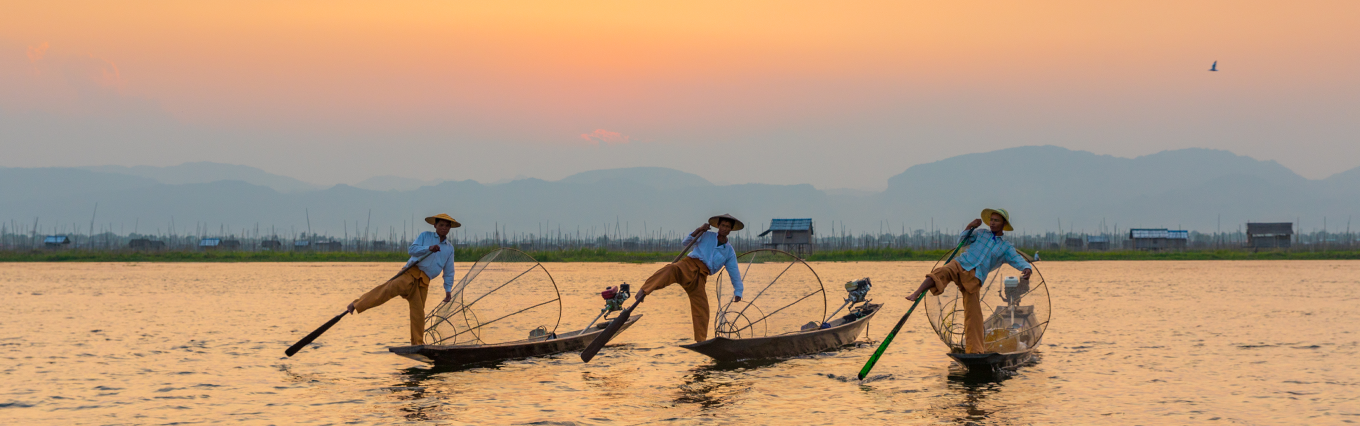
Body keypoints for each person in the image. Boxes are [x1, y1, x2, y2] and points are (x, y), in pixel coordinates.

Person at [905, 208, 1032, 354]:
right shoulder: (981, 234)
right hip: (961, 264)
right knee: (941, 272)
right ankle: (917, 292)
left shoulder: (1005, 246)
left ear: (1004, 224)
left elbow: (1016, 259)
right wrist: (970, 226)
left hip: (975, 276)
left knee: (974, 315)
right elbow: (962, 241)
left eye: (996, 220)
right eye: (991, 220)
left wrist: (1026, 268)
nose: (992, 223)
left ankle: (975, 350)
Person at [346, 213, 459, 345]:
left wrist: (448, 289)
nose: (444, 228)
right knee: (387, 290)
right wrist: (429, 248)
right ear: (435, 225)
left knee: (418, 313)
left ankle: (417, 343)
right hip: (410, 273)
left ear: (450, 228)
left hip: (424, 281)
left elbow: (449, 271)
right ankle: (356, 304)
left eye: (447, 226)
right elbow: (412, 250)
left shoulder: (449, 248)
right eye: (441, 225)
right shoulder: (425, 236)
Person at [635, 214, 746, 342]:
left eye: (727, 227)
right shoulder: (706, 235)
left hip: (701, 277)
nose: (724, 228)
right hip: (688, 265)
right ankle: (643, 291)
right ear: (718, 226)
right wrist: (699, 230)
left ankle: (701, 340)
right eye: (723, 225)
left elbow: (734, 272)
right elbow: (686, 242)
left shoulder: (729, 251)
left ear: (730, 230)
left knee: (702, 307)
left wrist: (738, 291)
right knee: (670, 269)